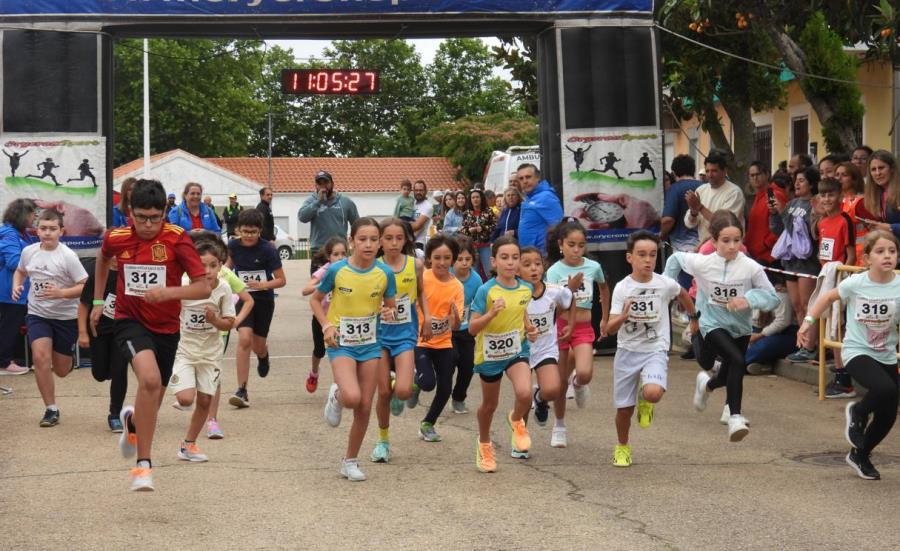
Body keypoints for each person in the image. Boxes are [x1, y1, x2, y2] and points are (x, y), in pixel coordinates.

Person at [92, 178, 211, 491]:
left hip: (167, 327)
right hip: (129, 319)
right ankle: (143, 466)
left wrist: (169, 293)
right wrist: (97, 300)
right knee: (149, 380)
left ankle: (133, 425)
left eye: (154, 218)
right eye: (140, 217)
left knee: (153, 397)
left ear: (165, 213)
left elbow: (203, 285)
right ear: (129, 211)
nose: (147, 225)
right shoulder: (116, 237)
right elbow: (102, 260)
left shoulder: (177, 238)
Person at [665, 210, 779, 442]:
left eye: (737, 240)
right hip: (712, 323)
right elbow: (675, 259)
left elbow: (773, 298)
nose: (732, 246)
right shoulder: (704, 263)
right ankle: (735, 415)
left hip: (741, 327)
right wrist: (667, 286)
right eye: (726, 241)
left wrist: (749, 300)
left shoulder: (750, 267)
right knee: (738, 361)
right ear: (714, 240)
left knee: (730, 369)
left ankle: (707, 385)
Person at [800, 230, 900, 480]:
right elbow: (826, 298)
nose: (887, 256)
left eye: (892, 251)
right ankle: (858, 412)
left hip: (886, 354)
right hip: (857, 351)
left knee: (888, 413)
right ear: (867, 258)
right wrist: (807, 322)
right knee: (886, 390)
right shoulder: (857, 283)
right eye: (880, 251)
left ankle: (860, 454)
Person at [310, 217, 397, 482]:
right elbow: (314, 300)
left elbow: (391, 306)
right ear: (351, 242)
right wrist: (326, 325)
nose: (368, 245)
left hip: (370, 345)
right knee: (352, 397)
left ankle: (350, 461)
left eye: (373, 239)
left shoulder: (385, 274)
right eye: (362, 239)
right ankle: (337, 396)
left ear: (380, 242)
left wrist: (389, 312)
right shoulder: (337, 271)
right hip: (341, 344)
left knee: (364, 406)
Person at [607, 231, 697, 467]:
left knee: (653, 392)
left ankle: (646, 398)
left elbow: (683, 294)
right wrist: (623, 316)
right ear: (630, 258)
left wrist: (694, 318)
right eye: (642, 255)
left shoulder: (664, 284)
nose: (648, 260)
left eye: (653, 255)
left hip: (655, 348)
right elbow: (609, 328)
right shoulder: (622, 288)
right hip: (627, 350)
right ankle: (622, 447)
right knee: (624, 411)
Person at [12, 209, 88, 427]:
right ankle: (51, 409)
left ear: (61, 231)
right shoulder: (29, 252)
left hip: (65, 318)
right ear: (37, 231)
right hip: (38, 314)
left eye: (52, 229)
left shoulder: (68, 257)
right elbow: (20, 271)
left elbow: (85, 286)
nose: (47, 233)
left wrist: (62, 293)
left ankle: (68, 361)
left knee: (62, 370)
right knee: (40, 358)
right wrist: (17, 285)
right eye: (43, 229)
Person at [468, 235, 537, 471]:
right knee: (489, 405)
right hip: (489, 354)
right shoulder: (486, 290)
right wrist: (491, 314)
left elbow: (522, 312)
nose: (510, 263)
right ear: (494, 262)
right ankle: (484, 444)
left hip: (516, 350)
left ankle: (516, 420)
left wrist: (529, 328)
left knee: (525, 393)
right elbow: (472, 328)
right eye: (504, 258)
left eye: (515, 258)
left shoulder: (526, 288)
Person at [169, 234, 236, 464]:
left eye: (213, 265)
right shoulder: (186, 286)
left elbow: (230, 322)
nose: (207, 270)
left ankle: (188, 445)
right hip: (185, 350)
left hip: (211, 354)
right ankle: (181, 387)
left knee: (205, 402)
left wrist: (215, 320)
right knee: (186, 399)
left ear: (222, 265)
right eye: (202, 265)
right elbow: (170, 309)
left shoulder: (224, 289)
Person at [546, 219, 610, 448]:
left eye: (581, 245)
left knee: (585, 373)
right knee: (560, 382)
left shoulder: (593, 267)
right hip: (561, 329)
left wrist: (604, 317)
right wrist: (569, 290)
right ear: (561, 245)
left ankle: (579, 383)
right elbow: (552, 305)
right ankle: (559, 425)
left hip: (583, 327)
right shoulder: (553, 272)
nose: (576, 250)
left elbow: (603, 287)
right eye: (571, 244)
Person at [370, 219, 426, 462]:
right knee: (383, 392)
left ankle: (400, 385)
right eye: (388, 238)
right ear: (380, 240)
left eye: (399, 238)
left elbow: (422, 293)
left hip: (405, 334)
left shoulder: (416, 265)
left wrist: (428, 316)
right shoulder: (373, 266)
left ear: (406, 240)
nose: (394, 243)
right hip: (378, 336)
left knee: (402, 392)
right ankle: (383, 441)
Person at [299, 170, 360, 388]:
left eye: (326, 182)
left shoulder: (345, 202)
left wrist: (353, 245)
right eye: (319, 183)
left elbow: (357, 223)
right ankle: (322, 321)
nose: (323, 186)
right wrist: (317, 200)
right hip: (320, 253)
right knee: (322, 294)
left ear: (333, 183)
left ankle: (338, 322)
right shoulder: (312, 200)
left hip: (340, 252)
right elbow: (302, 216)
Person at [226, 209, 286, 408]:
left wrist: (262, 285)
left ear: (260, 231)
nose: (249, 235)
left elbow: (281, 280)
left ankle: (263, 355)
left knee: (257, 344)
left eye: (253, 232)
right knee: (244, 338)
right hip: (243, 298)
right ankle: (242, 390)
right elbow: (226, 270)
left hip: (263, 300)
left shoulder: (268, 249)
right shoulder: (233, 246)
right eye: (245, 231)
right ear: (238, 230)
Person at [519, 246, 578, 434]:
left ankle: (541, 398)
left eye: (537, 264)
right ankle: (520, 439)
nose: (534, 269)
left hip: (545, 349)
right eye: (527, 265)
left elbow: (570, 298)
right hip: (521, 351)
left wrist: (570, 323)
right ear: (517, 269)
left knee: (553, 389)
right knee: (523, 397)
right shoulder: (514, 293)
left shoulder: (554, 291)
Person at [410, 234, 463, 443]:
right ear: (429, 258)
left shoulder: (457, 286)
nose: (442, 262)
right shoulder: (422, 277)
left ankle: (428, 423)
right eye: (437, 258)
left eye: (447, 258)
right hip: (421, 340)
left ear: (453, 259)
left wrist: (455, 318)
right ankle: (416, 383)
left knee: (445, 388)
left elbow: (457, 325)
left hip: (444, 342)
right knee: (428, 383)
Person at [770, 166, 821, 363]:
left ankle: (811, 347)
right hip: (790, 261)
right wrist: (775, 213)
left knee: (809, 305)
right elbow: (778, 230)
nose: (797, 183)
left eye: (801, 180)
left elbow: (815, 234)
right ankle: (803, 344)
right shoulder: (791, 204)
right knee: (798, 305)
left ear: (812, 183)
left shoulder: (815, 204)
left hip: (807, 264)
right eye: (796, 180)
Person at [78, 256, 128, 432]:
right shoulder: (98, 275)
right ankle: (107, 369)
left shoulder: (129, 275)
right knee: (99, 374)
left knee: (120, 370)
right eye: (112, 253)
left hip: (122, 331)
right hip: (98, 331)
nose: (116, 258)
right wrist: (83, 333)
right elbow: (84, 305)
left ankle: (115, 414)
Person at [301, 237, 348, 393]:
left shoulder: (349, 269)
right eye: (336, 254)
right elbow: (305, 290)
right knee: (319, 351)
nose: (340, 257)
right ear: (329, 257)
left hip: (340, 319)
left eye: (343, 254)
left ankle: (339, 386)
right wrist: (325, 284)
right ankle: (314, 373)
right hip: (321, 318)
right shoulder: (324, 271)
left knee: (340, 351)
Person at [0, 198, 36, 376]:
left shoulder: (21, 233)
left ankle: (7, 360)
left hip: (17, 291)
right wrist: (39, 265)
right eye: (32, 214)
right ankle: (4, 363)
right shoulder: (9, 233)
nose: (34, 217)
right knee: (9, 327)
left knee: (10, 326)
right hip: (8, 291)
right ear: (23, 215)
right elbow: (14, 261)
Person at [449, 235, 482, 414]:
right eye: (460, 259)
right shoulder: (446, 275)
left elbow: (480, 303)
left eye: (468, 259)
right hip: (447, 328)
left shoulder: (476, 280)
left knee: (468, 366)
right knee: (451, 360)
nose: (464, 263)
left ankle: (459, 398)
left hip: (467, 328)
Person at [684, 151, 745, 244]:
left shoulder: (734, 192)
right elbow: (689, 224)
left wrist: (700, 207)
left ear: (724, 171)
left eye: (714, 171)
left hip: (728, 247)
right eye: (707, 171)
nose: (710, 175)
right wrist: (693, 212)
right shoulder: (700, 190)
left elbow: (724, 225)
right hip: (704, 248)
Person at [744, 274, 796, 376]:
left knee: (764, 345)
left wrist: (760, 335)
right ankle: (762, 366)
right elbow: (753, 319)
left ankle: (732, 365)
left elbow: (783, 321)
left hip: (787, 333)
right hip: (761, 329)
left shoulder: (781, 295)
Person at [517, 163, 563, 255]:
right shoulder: (529, 197)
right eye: (521, 178)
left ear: (537, 178)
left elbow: (559, 228)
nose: (525, 181)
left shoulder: (546, 197)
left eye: (528, 177)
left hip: (542, 256)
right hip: (529, 254)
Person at [660, 155, 700, 258]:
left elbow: (668, 219)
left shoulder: (674, 189)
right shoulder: (705, 186)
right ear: (693, 170)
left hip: (681, 249)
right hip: (704, 246)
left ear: (673, 173)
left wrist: (661, 236)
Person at [857, 150, 900, 239]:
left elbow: (889, 226)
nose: (877, 173)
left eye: (881, 168)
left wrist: (890, 227)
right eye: (873, 169)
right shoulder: (878, 194)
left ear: (892, 169)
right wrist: (876, 225)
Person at [459, 188, 497, 280]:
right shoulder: (467, 213)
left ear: (481, 198)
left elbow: (495, 226)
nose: (475, 199)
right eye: (473, 198)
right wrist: (469, 230)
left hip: (485, 245)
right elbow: (462, 228)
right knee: (474, 274)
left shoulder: (488, 211)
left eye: (477, 197)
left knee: (489, 272)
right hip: (472, 247)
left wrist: (483, 228)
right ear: (470, 200)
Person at [837, 161, 866, 265]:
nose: (839, 178)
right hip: (840, 255)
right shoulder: (835, 201)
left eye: (844, 175)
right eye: (837, 175)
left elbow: (872, 228)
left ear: (854, 179)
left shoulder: (860, 202)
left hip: (859, 257)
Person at [409, 180, 433, 250]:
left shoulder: (428, 206)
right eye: (416, 190)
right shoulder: (411, 203)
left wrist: (402, 224)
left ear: (425, 191)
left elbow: (417, 225)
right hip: (406, 241)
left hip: (418, 243)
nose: (418, 192)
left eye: (421, 190)